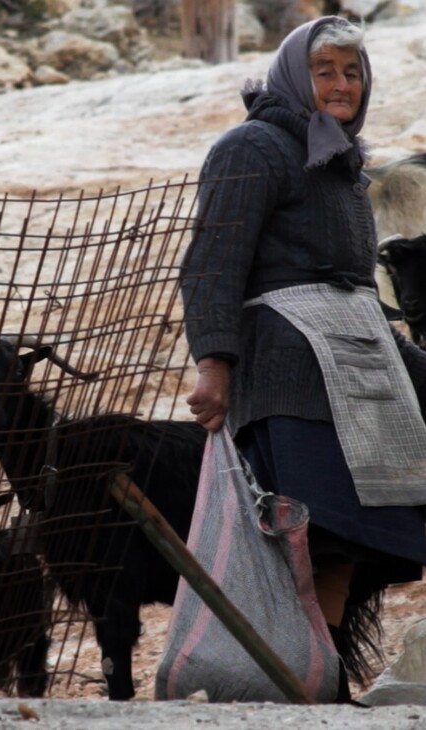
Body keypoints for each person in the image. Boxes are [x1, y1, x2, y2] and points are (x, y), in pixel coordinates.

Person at [180, 15, 426, 703]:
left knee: (353, 537)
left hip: (358, 365)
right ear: (296, 75)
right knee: (311, 535)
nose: (342, 85)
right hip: (290, 373)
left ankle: (323, 678)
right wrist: (213, 363)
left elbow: (351, 287)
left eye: (353, 73)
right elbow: (212, 264)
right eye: (326, 72)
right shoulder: (253, 148)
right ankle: (297, 676)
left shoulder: (343, 162)